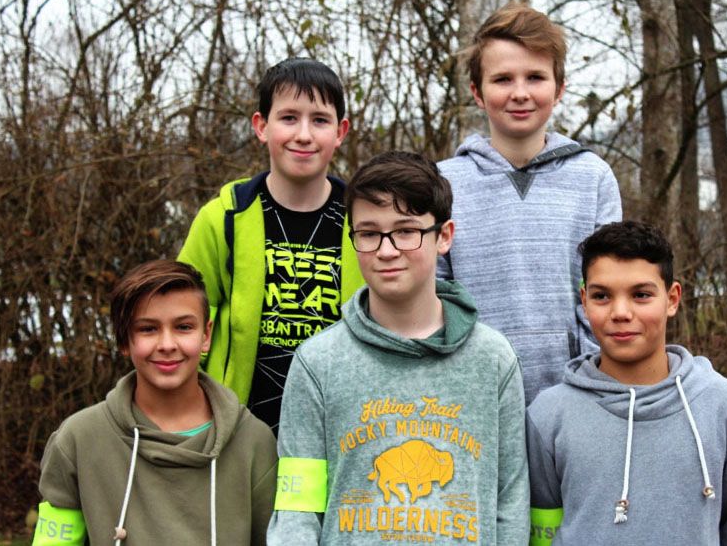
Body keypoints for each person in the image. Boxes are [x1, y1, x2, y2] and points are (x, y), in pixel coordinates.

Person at [266, 151, 530, 545]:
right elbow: (296, 510)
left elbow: (510, 501)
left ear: (444, 236)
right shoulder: (317, 362)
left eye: (406, 231)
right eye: (369, 233)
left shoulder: (493, 360)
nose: (386, 250)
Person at [526, 221, 727, 545]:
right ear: (584, 301)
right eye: (602, 296)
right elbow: (540, 531)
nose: (620, 312)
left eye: (641, 295)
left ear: (672, 299)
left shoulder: (726, 409)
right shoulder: (548, 415)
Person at [438, 2, 623, 404]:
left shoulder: (593, 178)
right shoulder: (444, 183)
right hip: (473, 396)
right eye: (503, 79)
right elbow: (435, 293)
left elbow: (609, 289)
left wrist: (592, 380)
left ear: (559, 88)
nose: (520, 93)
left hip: (578, 396)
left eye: (535, 77)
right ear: (477, 92)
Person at [31, 260, 277, 546]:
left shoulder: (253, 441)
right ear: (124, 340)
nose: (167, 344)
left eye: (183, 327)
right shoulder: (77, 439)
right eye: (148, 329)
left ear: (206, 335)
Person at [178, 57, 364, 433]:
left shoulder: (366, 226)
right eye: (289, 118)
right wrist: (190, 420)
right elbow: (180, 325)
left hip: (341, 434)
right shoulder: (222, 220)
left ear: (340, 131)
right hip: (238, 437)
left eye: (320, 120)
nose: (304, 135)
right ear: (262, 126)